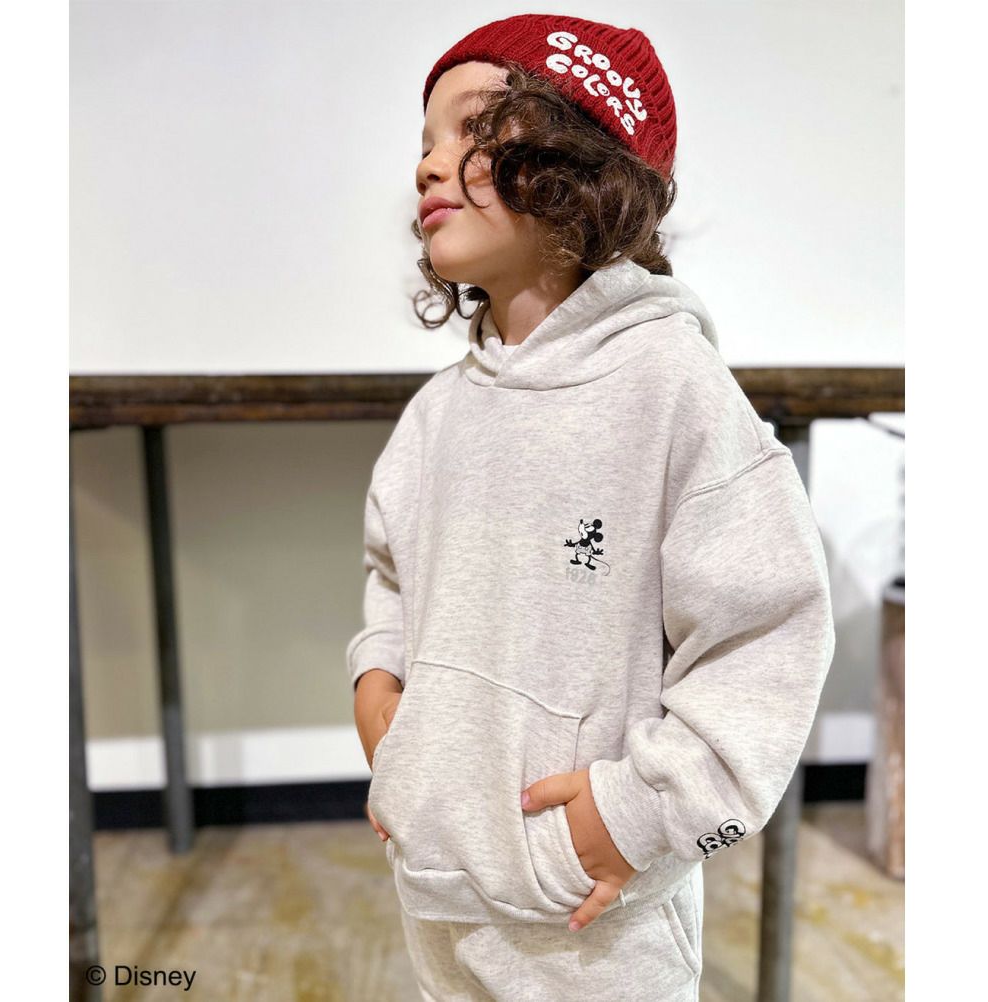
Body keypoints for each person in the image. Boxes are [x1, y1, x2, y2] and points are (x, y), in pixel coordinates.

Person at [346, 13, 836, 1001]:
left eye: (471, 129)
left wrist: (636, 818)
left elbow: (768, 633)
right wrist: (380, 694)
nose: (428, 165)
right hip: (436, 889)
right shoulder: (437, 414)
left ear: (580, 162)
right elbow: (392, 574)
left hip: (597, 930)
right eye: (424, 140)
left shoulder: (672, 390)